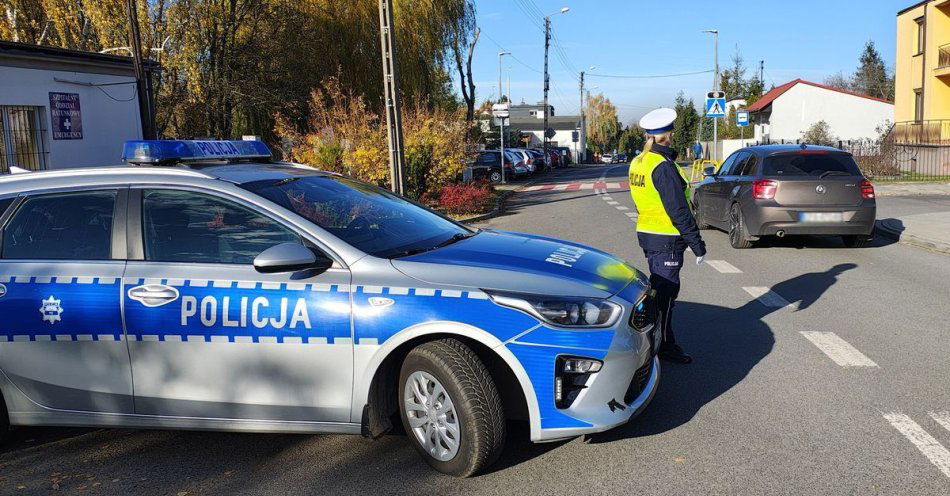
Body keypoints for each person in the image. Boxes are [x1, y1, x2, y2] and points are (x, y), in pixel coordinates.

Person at [629, 108, 707, 364]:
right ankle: (662, 346)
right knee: (665, 296)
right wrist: (696, 243)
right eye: (671, 131)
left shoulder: (639, 161)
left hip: (649, 233)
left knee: (659, 291)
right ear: (668, 135)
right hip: (666, 238)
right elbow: (678, 209)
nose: (673, 134)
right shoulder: (662, 166)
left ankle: (656, 341)